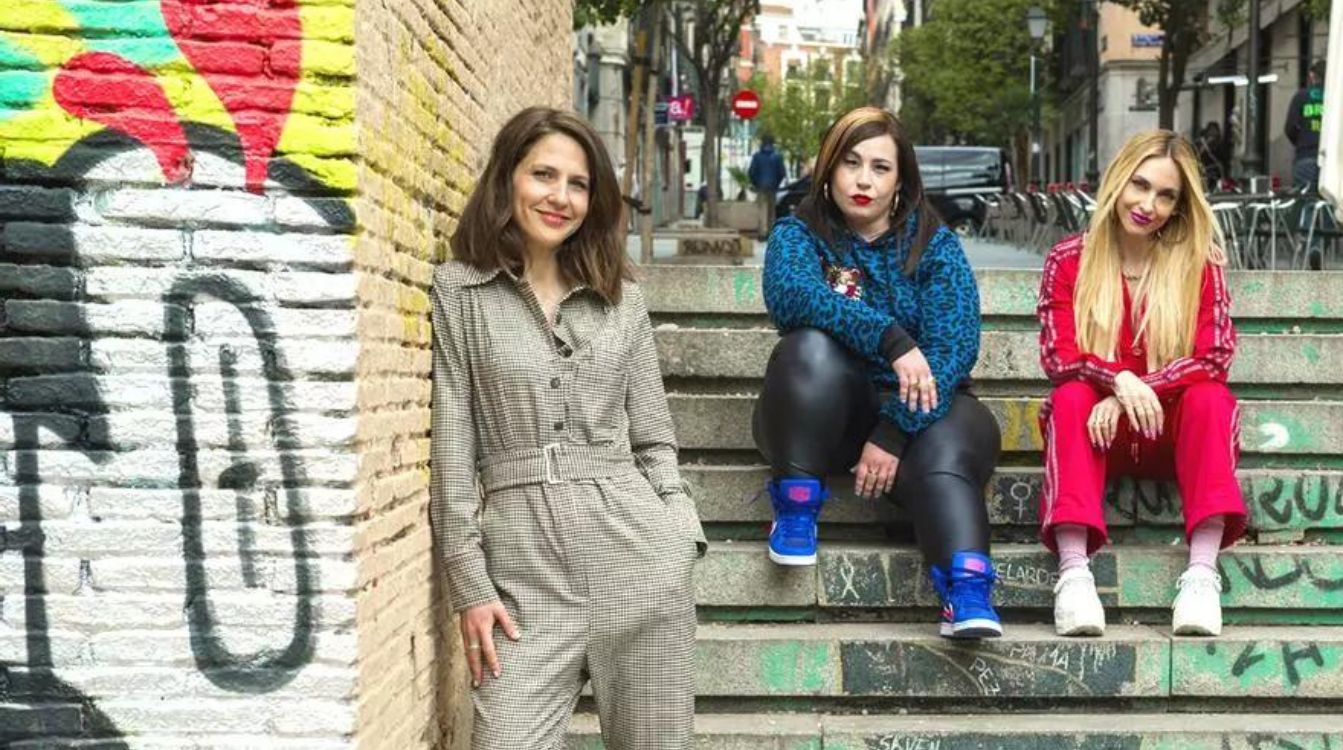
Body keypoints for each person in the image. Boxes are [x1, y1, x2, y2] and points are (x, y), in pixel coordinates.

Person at [431, 106, 706, 748]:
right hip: (521, 581)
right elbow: (452, 453)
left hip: (640, 565)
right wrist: (469, 584)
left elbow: (654, 436)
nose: (560, 197)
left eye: (577, 184)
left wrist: (677, 532)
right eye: (543, 175)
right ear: (507, 180)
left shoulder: (622, 298)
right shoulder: (459, 292)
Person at [756, 106, 1004, 639]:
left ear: (900, 181)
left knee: (945, 450)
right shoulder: (799, 235)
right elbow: (794, 296)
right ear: (828, 169)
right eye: (850, 163)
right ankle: (797, 502)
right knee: (807, 350)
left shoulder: (933, 244)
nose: (863, 180)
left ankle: (967, 588)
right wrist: (890, 339)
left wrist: (893, 432)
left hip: (924, 415)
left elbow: (954, 347)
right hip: (828, 414)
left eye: (880, 168)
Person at [1037, 129, 1247, 638]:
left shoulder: (1198, 263)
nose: (1148, 204)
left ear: (1179, 205)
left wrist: (1137, 388)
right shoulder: (1069, 260)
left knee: (1210, 397)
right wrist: (1114, 382)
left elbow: (1214, 356)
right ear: (1117, 181)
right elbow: (1058, 356)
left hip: (1170, 435)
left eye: (1166, 195)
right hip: (1095, 437)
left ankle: (1201, 575)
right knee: (1070, 396)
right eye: (1140, 185)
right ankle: (1074, 576)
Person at [1285, 59, 1326, 192]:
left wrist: (1302, 141)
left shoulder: (1301, 97)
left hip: (1306, 156)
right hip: (1332, 161)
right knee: (1331, 206)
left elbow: (1290, 128)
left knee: (1306, 204)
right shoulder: (1336, 97)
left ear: (1312, 75)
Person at [748, 133, 787, 240]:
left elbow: (751, 172)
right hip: (773, 187)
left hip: (761, 187)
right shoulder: (778, 156)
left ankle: (762, 233)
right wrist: (776, 183)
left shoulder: (757, 156)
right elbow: (782, 173)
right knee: (771, 211)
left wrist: (756, 183)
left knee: (762, 211)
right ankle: (770, 232)